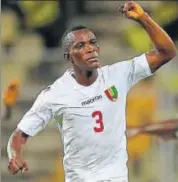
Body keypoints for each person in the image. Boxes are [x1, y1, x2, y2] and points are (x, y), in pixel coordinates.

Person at [7, 1, 177, 182]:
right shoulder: (55, 94)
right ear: (68, 57)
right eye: (80, 46)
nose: (89, 48)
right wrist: (14, 155)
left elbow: (166, 52)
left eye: (92, 43)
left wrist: (143, 18)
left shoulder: (117, 75)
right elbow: (20, 134)